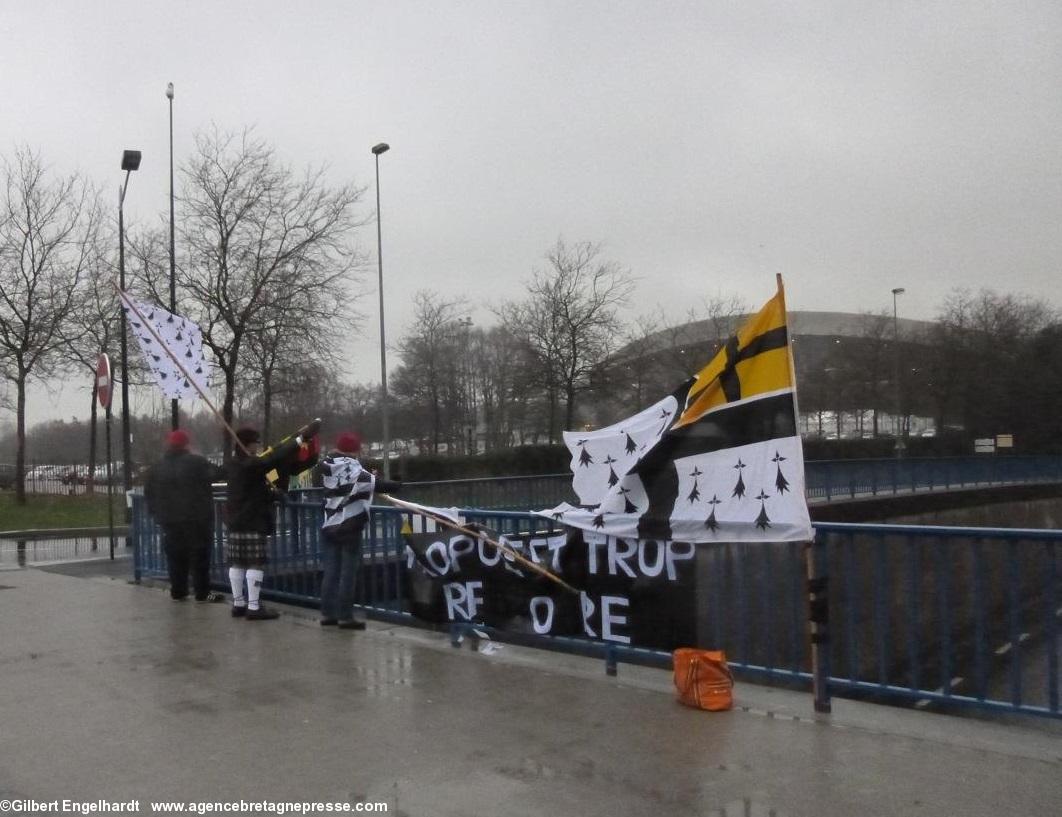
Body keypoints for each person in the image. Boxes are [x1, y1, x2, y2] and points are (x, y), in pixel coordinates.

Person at [226, 421, 319, 620]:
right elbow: (274, 456)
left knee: (237, 563)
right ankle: (253, 607)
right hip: (253, 519)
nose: (258, 447)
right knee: (255, 563)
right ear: (248, 444)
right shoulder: (251, 463)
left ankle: (238, 604)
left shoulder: (234, 464)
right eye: (256, 443)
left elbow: (253, 487)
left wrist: (272, 494)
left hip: (236, 519)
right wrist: (300, 439)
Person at [317, 432, 402, 629]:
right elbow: (376, 485)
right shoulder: (353, 467)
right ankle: (345, 617)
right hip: (349, 524)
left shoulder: (325, 465)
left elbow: (350, 484)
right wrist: (397, 483)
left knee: (330, 572)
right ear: (355, 449)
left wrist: (368, 477)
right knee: (348, 572)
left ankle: (328, 615)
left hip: (329, 523)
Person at [144, 429, 225, 603]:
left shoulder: (157, 467)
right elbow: (218, 474)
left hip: (170, 521)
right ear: (187, 444)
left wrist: (157, 514)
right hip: (197, 518)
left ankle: (178, 590)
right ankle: (202, 592)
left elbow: (149, 493)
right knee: (200, 557)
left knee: (176, 556)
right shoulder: (197, 462)